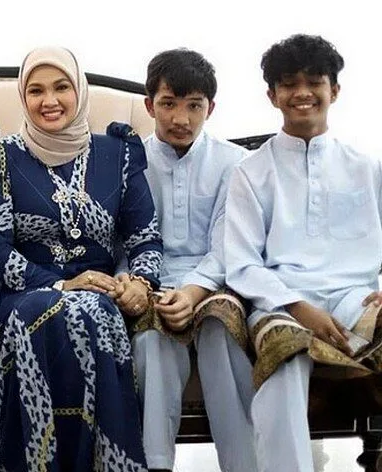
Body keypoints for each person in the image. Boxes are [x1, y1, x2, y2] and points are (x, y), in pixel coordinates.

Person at [0, 46, 162, 471]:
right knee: (54, 310)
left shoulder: (119, 153)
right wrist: (60, 284)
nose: (49, 101)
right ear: (23, 97)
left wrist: (140, 282)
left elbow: (144, 238)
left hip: (103, 293)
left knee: (93, 309)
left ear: (80, 90)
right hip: (26, 293)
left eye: (61, 87)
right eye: (36, 91)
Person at [225, 34, 382, 472]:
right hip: (281, 301)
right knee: (284, 352)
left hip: (354, 299)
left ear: (335, 90)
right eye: (289, 84)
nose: (302, 93)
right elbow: (242, 263)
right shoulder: (250, 172)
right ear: (272, 95)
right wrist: (298, 306)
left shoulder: (366, 167)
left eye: (314, 82)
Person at [134, 49, 256, 472]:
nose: (181, 118)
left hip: (215, 283)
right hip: (149, 282)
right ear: (149, 105)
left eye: (194, 106)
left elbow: (229, 245)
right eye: (168, 104)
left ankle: (243, 465)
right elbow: (120, 241)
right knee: (152, 339)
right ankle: (154, 464)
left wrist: (191, 292)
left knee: (220, 330)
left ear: (211, 108)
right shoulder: (129, 162)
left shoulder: (234, 163)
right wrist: (139, 286)